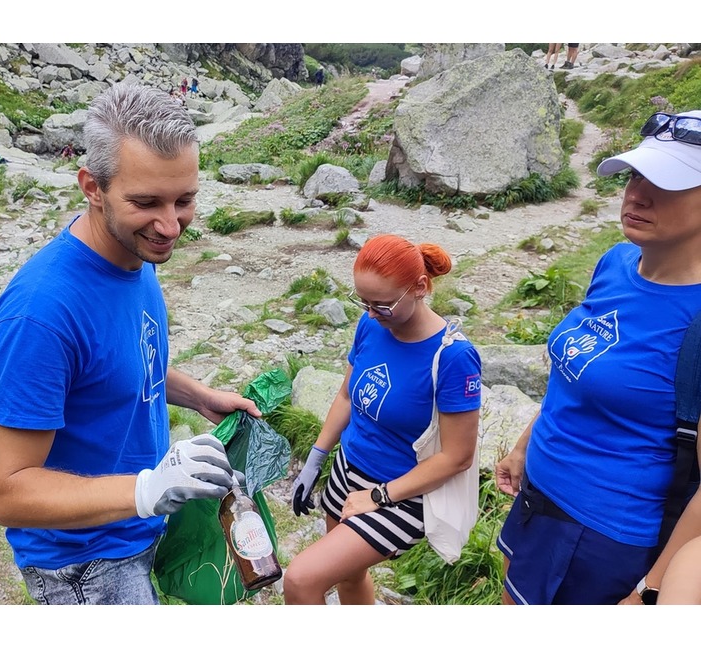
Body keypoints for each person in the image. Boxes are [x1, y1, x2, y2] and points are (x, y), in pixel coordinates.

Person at [0, 83, 262, 606]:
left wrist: (200, 397)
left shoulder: (132, 255)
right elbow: (4, 492)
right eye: (147, 202)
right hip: (85, 565)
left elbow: (117, 363)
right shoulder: (41, 314)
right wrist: (146, 489)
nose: (170, 225)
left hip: (135, 528)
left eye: (185, 199)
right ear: (93, 186)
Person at [494, 109, 701, 605]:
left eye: (667, 183)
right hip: (535, 500)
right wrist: (526, 445)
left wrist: (650, 590)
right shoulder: (616, 261)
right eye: (636, 174)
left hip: (601, 538)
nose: (638, 194)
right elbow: (579, 366)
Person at [283, 234, 482, 605]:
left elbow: (458, 456)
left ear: (420, 287)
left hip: (402, 490)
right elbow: (346, 395)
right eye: (364, 302)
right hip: (349, 468)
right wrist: (315, 461)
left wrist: (379, 496)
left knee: (299, 581)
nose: (372, 314)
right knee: (349, 575)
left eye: (384, 305)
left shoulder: (454, 357)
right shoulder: (371, 324)